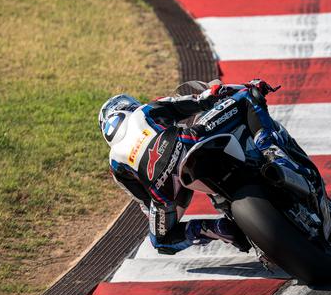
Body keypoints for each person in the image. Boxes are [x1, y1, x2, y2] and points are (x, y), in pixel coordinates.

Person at [98, 79, 313, 255]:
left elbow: (144, 201)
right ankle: (271, 151)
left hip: (162, 189)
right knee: (247, 96)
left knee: (162, 241)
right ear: (128, 107)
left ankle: (217, 228)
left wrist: (163, 206)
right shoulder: (144, 110)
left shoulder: (114, 163)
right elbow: (197, 101)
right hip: (185, 142)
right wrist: (222, 91)